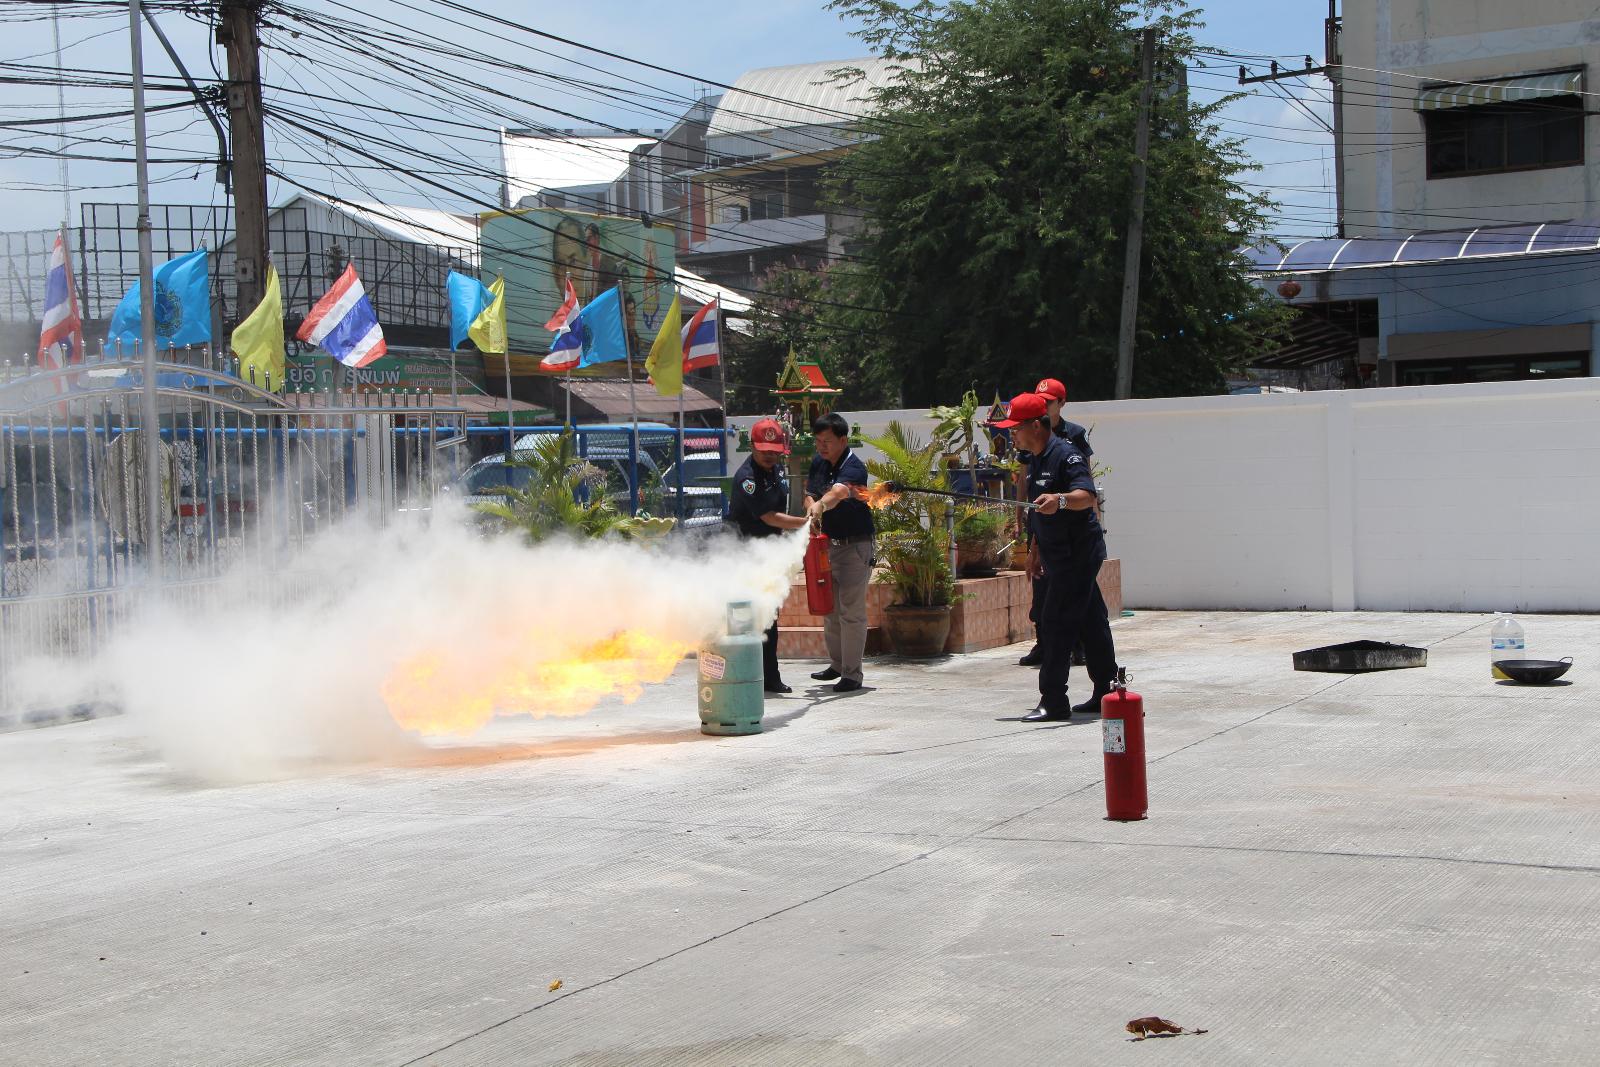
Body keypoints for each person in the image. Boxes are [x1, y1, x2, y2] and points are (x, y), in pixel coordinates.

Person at [992, 391, 1117, 721]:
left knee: (1055, 621)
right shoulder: (1035, 459)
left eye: (1015, 428)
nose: (1011, 434)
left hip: (1077, 553)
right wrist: (1034, 551)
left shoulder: (1065, 454)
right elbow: (1037, 512)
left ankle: (1054, 700)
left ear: (1036, 426)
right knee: (1091, 620)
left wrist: (1060, 500)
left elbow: (1086, 495)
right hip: (1055, 552)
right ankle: (1108, 691)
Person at [727, 418, 810, 694]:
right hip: (744, 556)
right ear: (752, 446)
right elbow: (769, 517)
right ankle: (741, 676)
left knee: (770, 617)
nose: (770, 455)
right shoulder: (747, 479)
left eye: (774, 451)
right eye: (764, 450)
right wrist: (805, 523)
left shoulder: (776, 471)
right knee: (743, 618)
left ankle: (770, 678)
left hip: (768, 555)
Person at [1018, 377, 1096, 667]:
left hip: (1072, 536)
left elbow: (1085, 486)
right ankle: (1046, 646)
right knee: (1045, 593)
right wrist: (1023, 520)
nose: (1044, 405)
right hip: (1044, 529)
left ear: (1061, 403)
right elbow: (1025, 481)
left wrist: (1067, 502)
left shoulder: (1071, 438)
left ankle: (1077, 651)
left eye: (1048, 401)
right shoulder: (1031, 441)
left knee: (1074, 604)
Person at [803, 412, 875, 693]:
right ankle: (837, 664)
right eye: (818, 441)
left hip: (854, 546)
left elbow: (838, 493)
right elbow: (809, 493)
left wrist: (820, 506)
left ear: (843, 440)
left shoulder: (854, 467)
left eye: (827, 441)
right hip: (827, 546)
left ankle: (852, 675)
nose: (821, 447)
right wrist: (811, 506)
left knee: (851, 612)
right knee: (829, 608)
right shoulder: (819, 463)